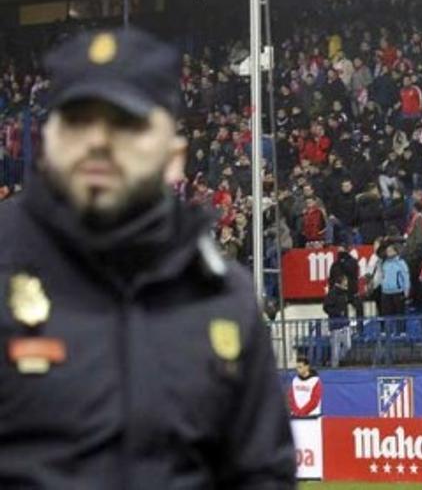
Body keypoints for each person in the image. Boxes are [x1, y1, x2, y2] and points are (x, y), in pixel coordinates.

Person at [0, 29, 295, 487]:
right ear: (45, 141)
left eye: (127, 122)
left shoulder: (222, 296)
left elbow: (261, 474)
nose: (99, 139)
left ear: (175, 156)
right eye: (78, 119)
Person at [323, 274, 353, 367]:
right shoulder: (332, 294)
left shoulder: (345, 293)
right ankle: (334, 367)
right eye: (345, 283)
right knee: (335, 350)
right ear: (339, 283)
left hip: (345, 324)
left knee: (348, 346)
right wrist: (338, 313)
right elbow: (326, 308)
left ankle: (337, 361)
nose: (346, 285)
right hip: (335, 326)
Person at [380, 244, 410, 316]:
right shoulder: (385, 263)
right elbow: (383, 276)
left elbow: (406, 276)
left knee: (400, 316)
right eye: (387, 251)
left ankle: (400, 327)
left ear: (395, 251)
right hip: (386, 292)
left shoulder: (401, 262)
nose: (388, 252)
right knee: (387, 316)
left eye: (390, 250)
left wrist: (406, 289)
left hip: (397, 292)